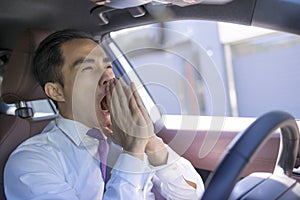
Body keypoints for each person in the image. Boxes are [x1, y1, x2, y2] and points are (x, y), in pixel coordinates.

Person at [4, 29, 205, 199]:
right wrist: (133, 152)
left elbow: (193, 195)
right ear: (56, 91)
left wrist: (150, 141)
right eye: (88, 68)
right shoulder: (31, 162)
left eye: (108, 67)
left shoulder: (124, 135)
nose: (108, 77)